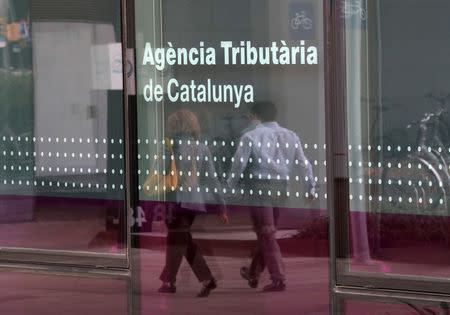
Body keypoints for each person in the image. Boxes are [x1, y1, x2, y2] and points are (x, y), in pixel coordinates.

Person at [227, 101, 316, 292]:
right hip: (281, 188)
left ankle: (278, 278)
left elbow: (238, 165)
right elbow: (304, 164)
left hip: (259, 188)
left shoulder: (250, 136)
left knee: (266, 233)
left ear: (255, 116)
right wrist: (310, 188)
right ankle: (253, 272)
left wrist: (229, 188)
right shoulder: (291, 136)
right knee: (267, 233)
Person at [157, 109, 228, 297]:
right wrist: (221, 206)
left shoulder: (168, 147)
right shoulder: (202, 148)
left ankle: (175, 280)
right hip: (194, 202)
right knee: (181, 239)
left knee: (177, 240)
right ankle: (191, 279)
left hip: (174, 200)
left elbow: (160, 173)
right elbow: (212, 179)